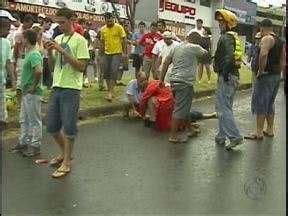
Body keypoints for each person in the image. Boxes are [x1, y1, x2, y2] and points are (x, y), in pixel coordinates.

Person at [45, 7, 90, 178]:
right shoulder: (58, 38)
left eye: (63, 22)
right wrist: (50, 52)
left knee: (69, 127)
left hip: (71, 88)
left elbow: (81, 67)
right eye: (58, 23)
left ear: (72, 20)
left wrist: (62, 51)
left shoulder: (80, 41)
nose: (60, 26)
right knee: (52, 126)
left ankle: (66, 162)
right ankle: (65, 153)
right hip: (57, 86)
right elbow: (52, 67)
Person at [159, 31, 207, 143]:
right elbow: (206, 55)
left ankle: (190, 129)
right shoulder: (195, 47)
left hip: (174, 81)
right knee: (180, 109)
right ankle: (173, 136)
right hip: (185, 82)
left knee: (184, 107)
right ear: (196, 41)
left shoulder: (176, 47)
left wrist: (161, 79)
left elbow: (166, 62)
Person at [245, 19, 285, 140]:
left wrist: (261, 71)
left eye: (260, 29)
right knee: (269, 103)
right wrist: (280, 72)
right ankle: (270, 129)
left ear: (262, 28)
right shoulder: (280, 40)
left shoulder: (266, 38)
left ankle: (258, 132)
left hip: (266, 76)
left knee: (261, 102)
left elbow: (263, 55)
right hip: (276, 75)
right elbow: (283, 58)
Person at [213, 9, 243, 150]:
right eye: (219, 22)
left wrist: (224, 73)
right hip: (233, 75)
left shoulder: (226, 37)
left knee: (222, 108)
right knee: (226, 107)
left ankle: (235, 136)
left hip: (227, 76)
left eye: (221, 22)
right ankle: (221, 135)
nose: (219, 24)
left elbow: (229, 56)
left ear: (228, 23)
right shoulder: (233, 37)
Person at [11, 30, 43, 157]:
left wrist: (34, 86)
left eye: (22, 38)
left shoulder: (34, 54)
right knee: (24, 119)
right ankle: (23, 141)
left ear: (26, 39)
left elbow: (38, 71)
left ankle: (35, 145)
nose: (20, 41)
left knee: (34, 119)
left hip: (32, 92)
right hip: (26, 92)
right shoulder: (29, 53)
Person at [100, 12, 127, 102]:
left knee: (114, 71)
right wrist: (101, 53)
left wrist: (124, 52)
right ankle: (110, 91)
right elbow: (102, 42)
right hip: (106, 53)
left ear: (114, 19)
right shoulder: (103, 29)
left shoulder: (119, 27)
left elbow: (124, 40)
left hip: (117, 53)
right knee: (106, 72)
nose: (110, 22)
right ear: (105, 20)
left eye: (112, 20)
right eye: (108, 20)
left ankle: (111, 92)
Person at [0, 10, 16, 131]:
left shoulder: (5, 43)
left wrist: (13, 80)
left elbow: (8, 63)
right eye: (7, 29)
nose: (8, 32)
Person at [13, 14, 34, 99]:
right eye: (30, 24)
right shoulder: (19, 33)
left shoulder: (29, 31)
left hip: (28, 56)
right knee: (20, 78)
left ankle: (24, 96)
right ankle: (18, 98)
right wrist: (15, 59)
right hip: (21, 57)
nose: (30, 26)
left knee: (26, 76)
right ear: (25, 22)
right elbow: (16, 47)